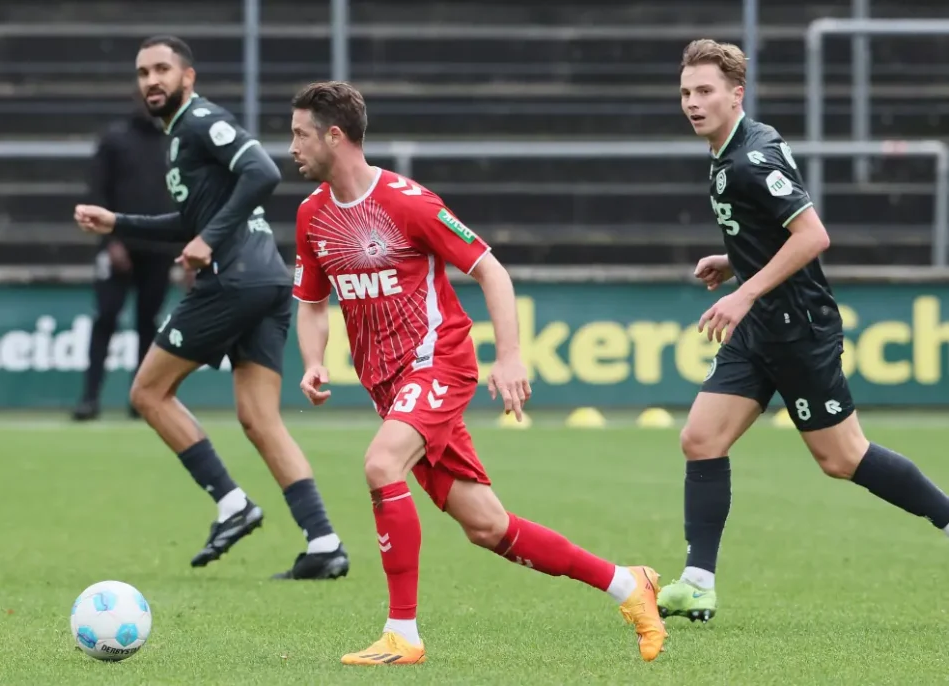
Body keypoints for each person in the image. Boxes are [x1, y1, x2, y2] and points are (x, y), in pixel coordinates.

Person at [289, 80, 667, 665]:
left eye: (299, 134)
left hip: (438, 363)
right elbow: (313, 302)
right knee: (487, 526)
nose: (291, 146)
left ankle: (402, 634)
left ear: (334, 136)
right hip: (388, 387)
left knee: (380, 463)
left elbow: (491, 270)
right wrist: (314, 360)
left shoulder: (408, 201)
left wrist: (510, 356)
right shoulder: (311, 216)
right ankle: (627, 583)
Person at [657, 38, 949, 623]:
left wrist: (743, 290)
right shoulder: (729, 148)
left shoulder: (750, 158)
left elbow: (813, 237)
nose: (693, 102)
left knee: (842, 459)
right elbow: (770, 231)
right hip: (760, 326)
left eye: (705, 91)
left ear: (736, 94)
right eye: (687, 92)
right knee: (700, 439)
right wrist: (734, 260)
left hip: (797, 328)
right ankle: (698, 581)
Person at [73, 35, 349, 580]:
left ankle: (231, 503)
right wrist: (118, 222)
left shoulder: (201, 121)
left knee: (147, 391)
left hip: (235, 279)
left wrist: (210, 241)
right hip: (266, 279)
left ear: (188, 78)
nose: (151, 80)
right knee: (260, 419)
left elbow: (264, 172)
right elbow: (191, 222)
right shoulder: (179, 139)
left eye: (161, 69)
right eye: (142, 72)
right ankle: (323, 543)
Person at [73, 96, 178, 422]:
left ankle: (141, 399)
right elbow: (97, 190)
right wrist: (110, 241)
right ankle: (90, 398)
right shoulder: (116, 139)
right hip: (119, 247)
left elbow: (185, 195)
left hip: (159, 249)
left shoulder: (176, 142)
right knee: (105, 318)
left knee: (149, 324)